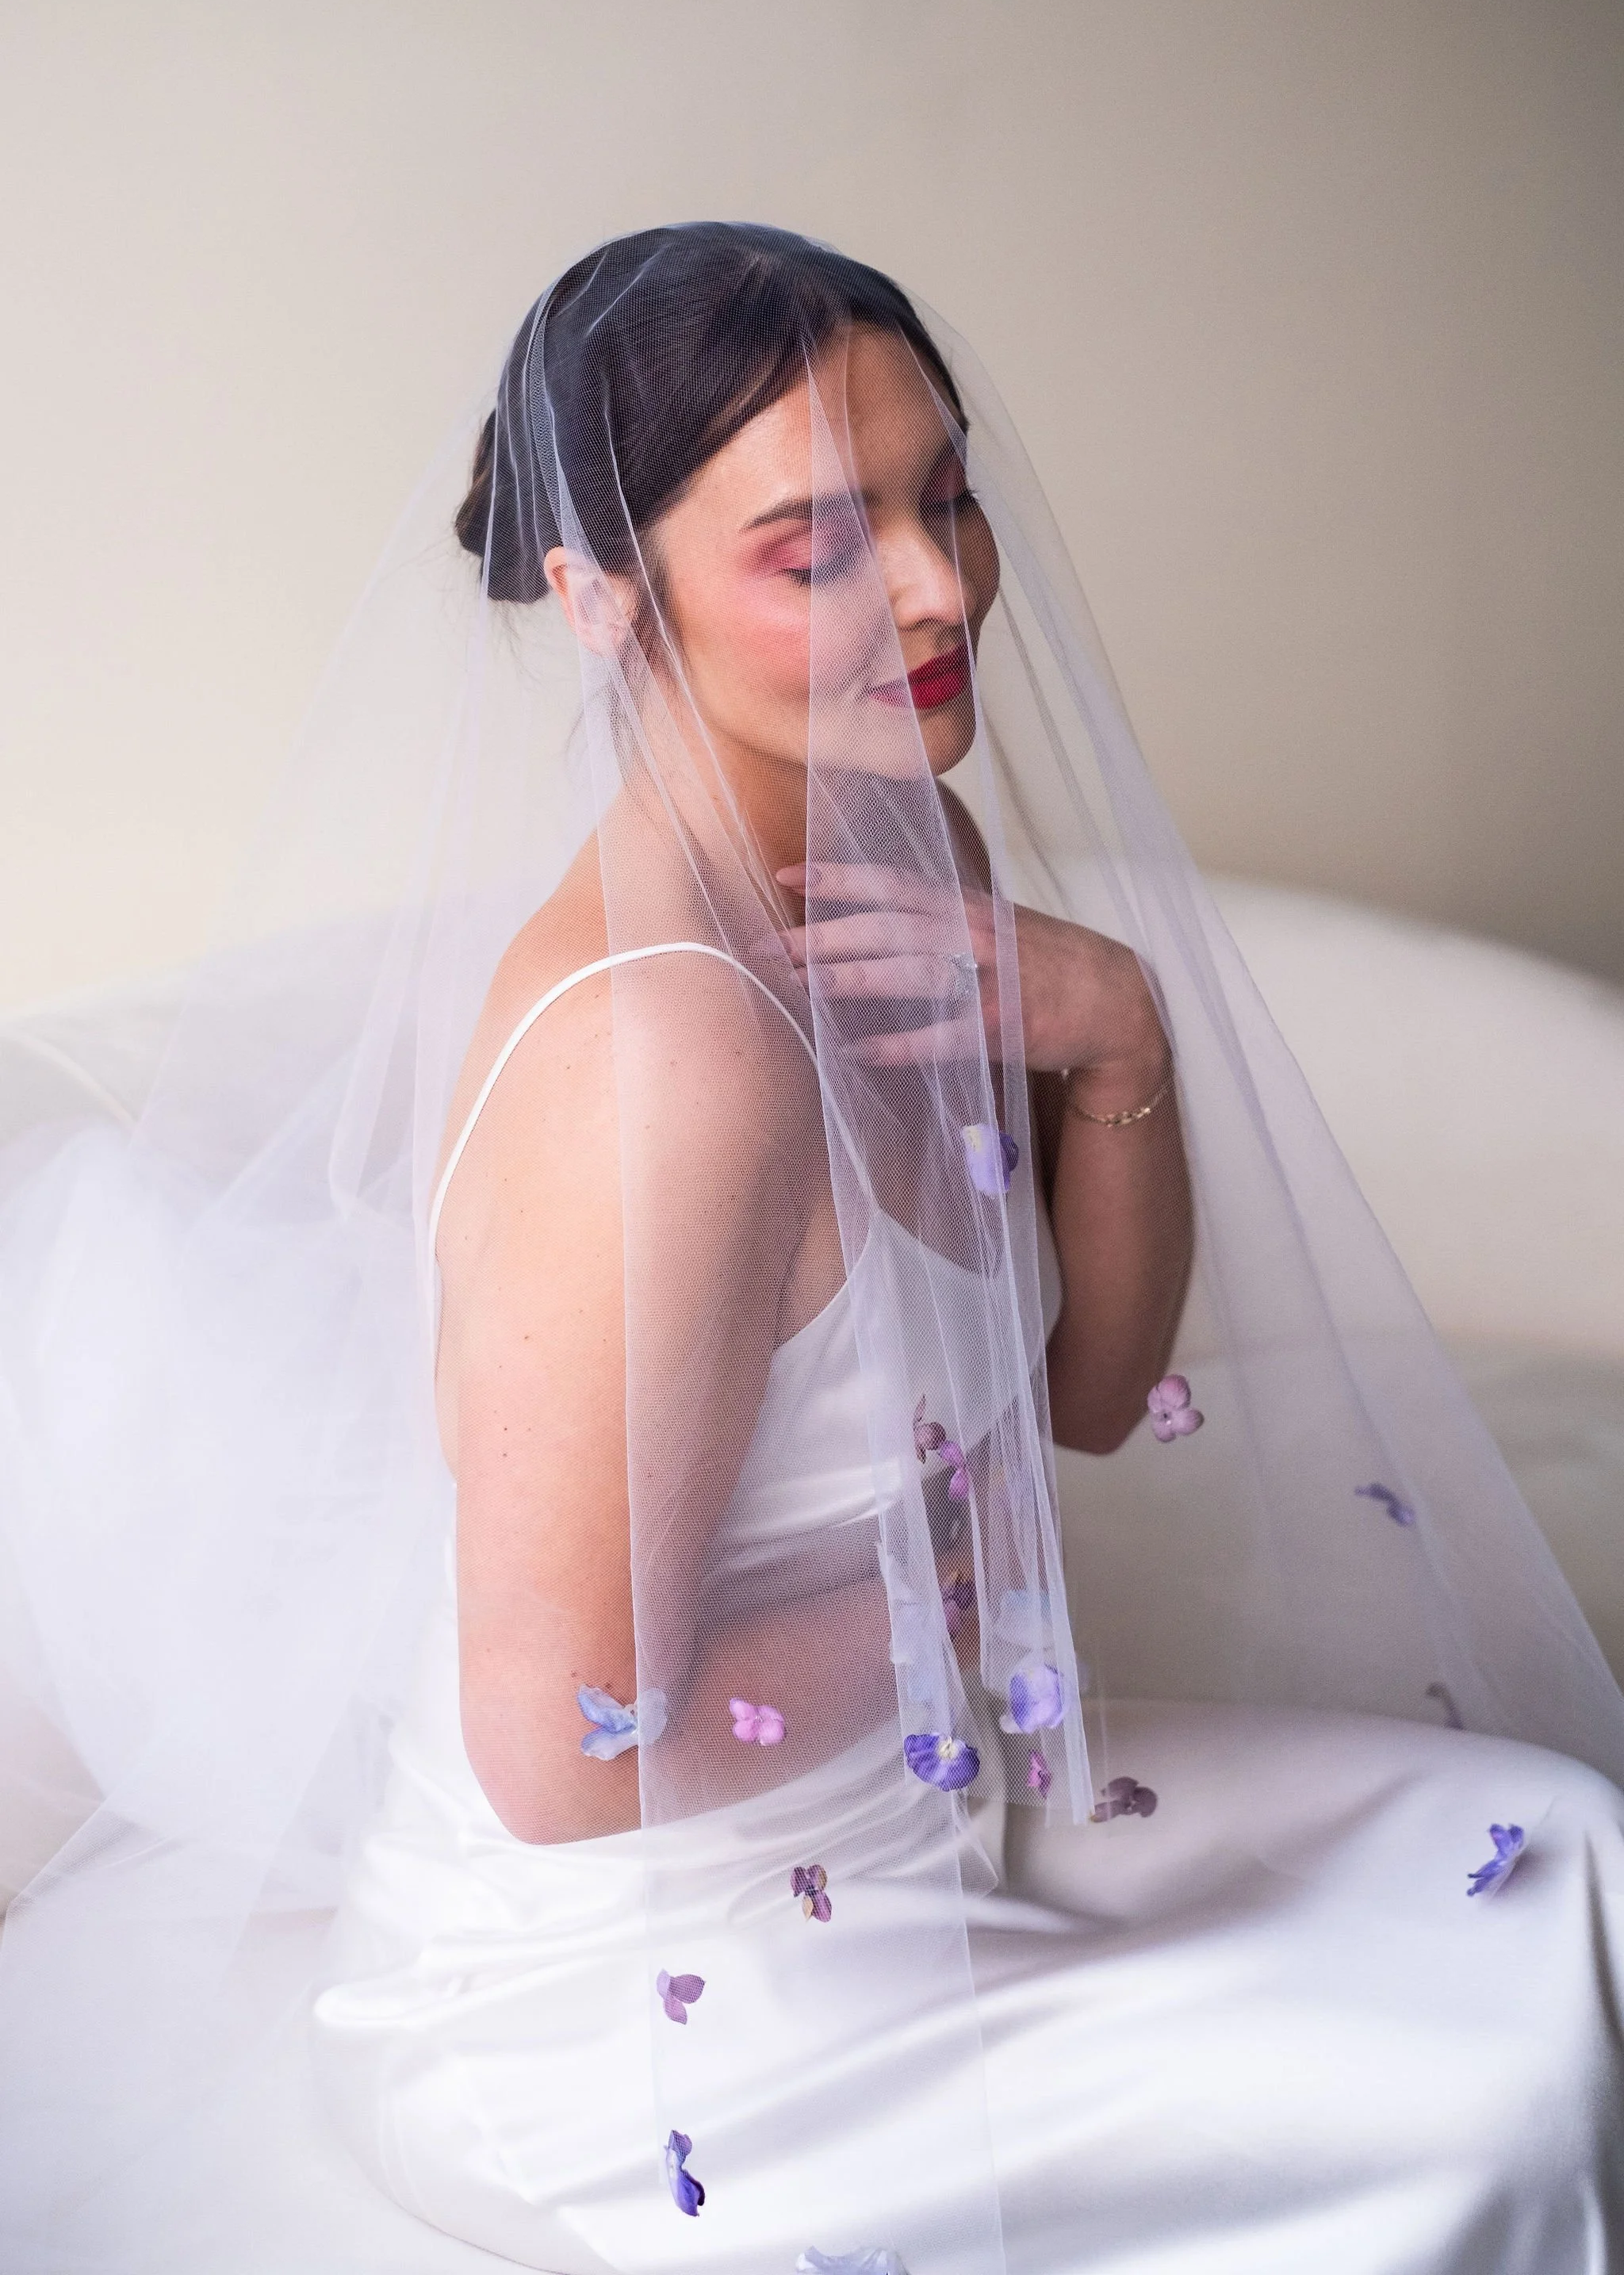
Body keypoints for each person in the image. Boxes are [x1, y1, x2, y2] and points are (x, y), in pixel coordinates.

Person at [2, 225, 1622, 2274]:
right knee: (1489, 2078)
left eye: (946, 499)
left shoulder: (895, 847)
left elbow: (1090, 1404)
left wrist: (1111, 1020)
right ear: (606, 601)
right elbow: (559, 1755)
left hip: (918, 1835)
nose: (939, 588)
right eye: (820, 546)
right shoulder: (673, 1057)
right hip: (651, 2013)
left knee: (1575, 1871)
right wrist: (939, 1587)